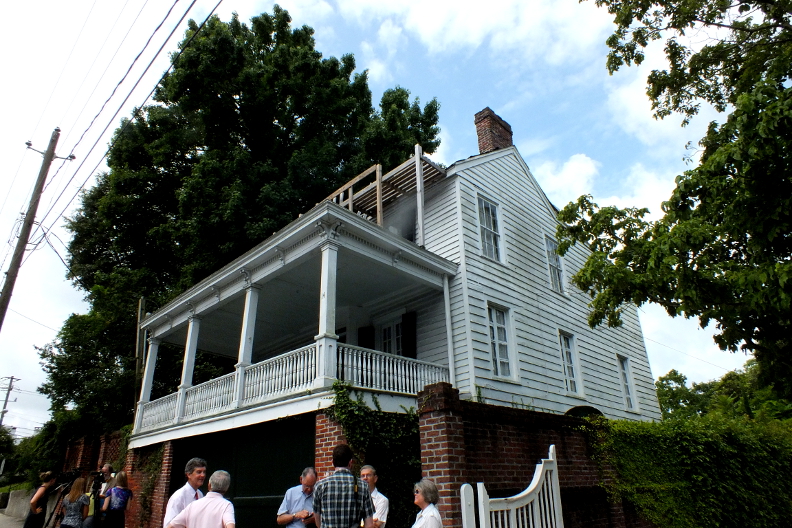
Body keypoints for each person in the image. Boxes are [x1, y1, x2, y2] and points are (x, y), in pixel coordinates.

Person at [313, 445, 374, 528]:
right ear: (350, 462)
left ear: (332, 462)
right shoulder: (363, 486)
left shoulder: (320, 486)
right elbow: (369, 524)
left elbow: (318, 522)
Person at [166, 470, 235, 528]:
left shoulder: (192, 505)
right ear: (227, 488)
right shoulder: (226, 505)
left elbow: (171, 526)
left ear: (209, 485)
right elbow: (230, 525)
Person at [164, 458, 207, 527]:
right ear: (188, 475)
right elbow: (168, 525)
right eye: (199, 472)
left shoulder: (200, 494)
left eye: (204, 472)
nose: (203, 475)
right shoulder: (178, 497)